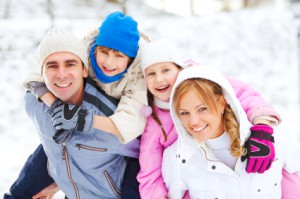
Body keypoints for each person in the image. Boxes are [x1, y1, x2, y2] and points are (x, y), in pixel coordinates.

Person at [4, 11, 146, 199]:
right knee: (55, 142)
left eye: (118, 55)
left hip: (119, 124)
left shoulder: (138, 79)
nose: (109, 62)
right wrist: (55, 106)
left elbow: (131, 129)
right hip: (70, 167)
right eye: (104, 52)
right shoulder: (36, 101)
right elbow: (33, 79)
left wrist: (82, 119)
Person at [137, 39, 300, 199]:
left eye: (166, 70)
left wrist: (263, 129)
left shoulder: (212, 84)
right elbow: (149, 173)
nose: (159, 79)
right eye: (151, 73)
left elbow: (249, 97)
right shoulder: (158, 128)